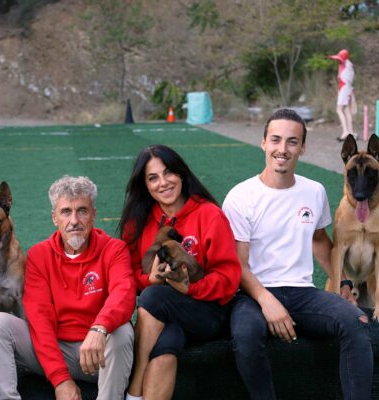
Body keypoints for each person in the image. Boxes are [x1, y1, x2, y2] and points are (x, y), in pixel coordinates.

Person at [222, 108, 373, 400]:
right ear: (263, 143)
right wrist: (267, 302)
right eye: (276, 140)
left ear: (302, 148)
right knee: (245, 335)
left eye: (292, 141)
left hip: (303, 292)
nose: (283, 149)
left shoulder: (314, 191)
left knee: (356, 323)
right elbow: (237, 265)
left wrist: (342, 284)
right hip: (253, 294)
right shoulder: (240, 196)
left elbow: (319, 241)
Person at [0, 175, 136, 400]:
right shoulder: (39, 255)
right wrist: (61, 379)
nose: (74, 220)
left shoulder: (114, 249)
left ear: (93, 215)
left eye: (82, 211)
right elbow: (39, 318)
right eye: (66, 212)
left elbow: (123, 294)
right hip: (56, 350)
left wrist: (99, 328)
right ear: (55, 217)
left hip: (99, 353)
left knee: (122, 332)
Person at [120, 144, 241, 400]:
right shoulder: (138, 220)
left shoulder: (210, 215)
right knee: (165, 348)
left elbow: (228, 279)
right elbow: (127, 275)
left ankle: (133, 390)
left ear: (182, 175)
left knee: (152, 297)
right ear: (145, 185)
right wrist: (149, 278)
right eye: (153, 178)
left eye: (168, 173)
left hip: (208, 311)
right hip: (165, 317)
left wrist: (190, 287)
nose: (163, 183)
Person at [329, 49, 357, 141]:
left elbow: (341, 78)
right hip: (346, 88)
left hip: (344, 88)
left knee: (339, 109)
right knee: (347, 109)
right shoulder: (349, 65)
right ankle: (351, 132)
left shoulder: (346, 64)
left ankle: (345, 131)